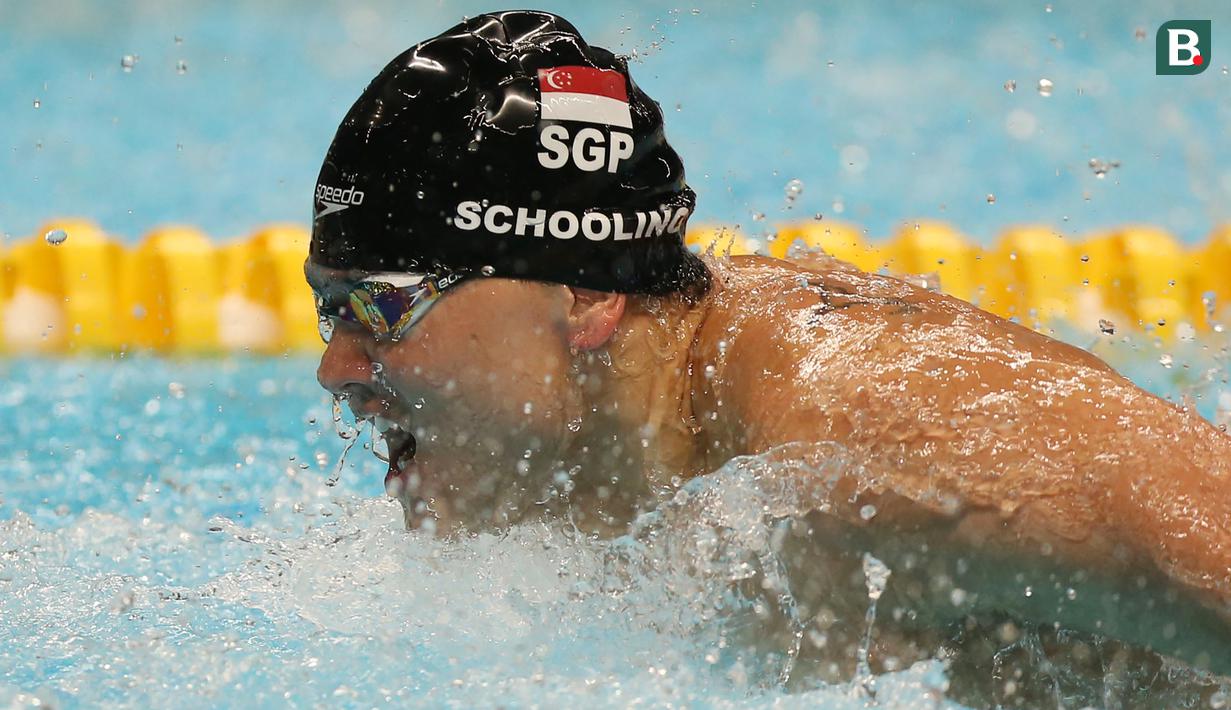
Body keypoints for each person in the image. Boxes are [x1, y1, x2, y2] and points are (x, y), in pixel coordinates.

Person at [307, 10, 1231, 681]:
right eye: (330, 311)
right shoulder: (627, 445)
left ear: (585, 291)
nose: (335, 370)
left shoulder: (860, 439)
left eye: (381, 307)